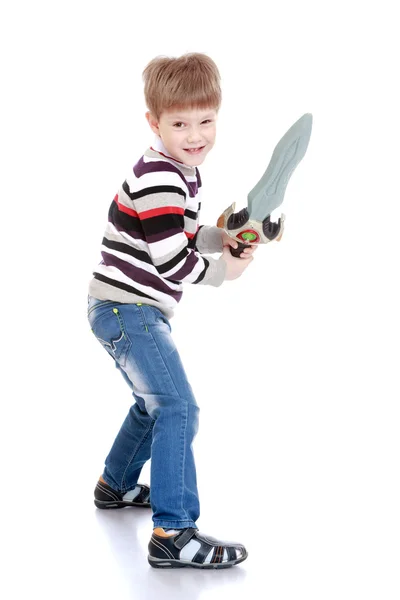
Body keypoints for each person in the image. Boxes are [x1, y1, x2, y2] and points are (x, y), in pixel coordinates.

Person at [87, 52, 257, 569]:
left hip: (123, 309)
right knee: (178, 408)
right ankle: (175, 532)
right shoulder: (161, 175)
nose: (195, 134)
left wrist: (221, 237)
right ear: (154, 122)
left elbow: (182, 233)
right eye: (180, 123)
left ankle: (114, 486)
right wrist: (227, 271)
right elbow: (171, 261)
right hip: (128, 308)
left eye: (206, 120)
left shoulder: (177, 170)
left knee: (152, 402)